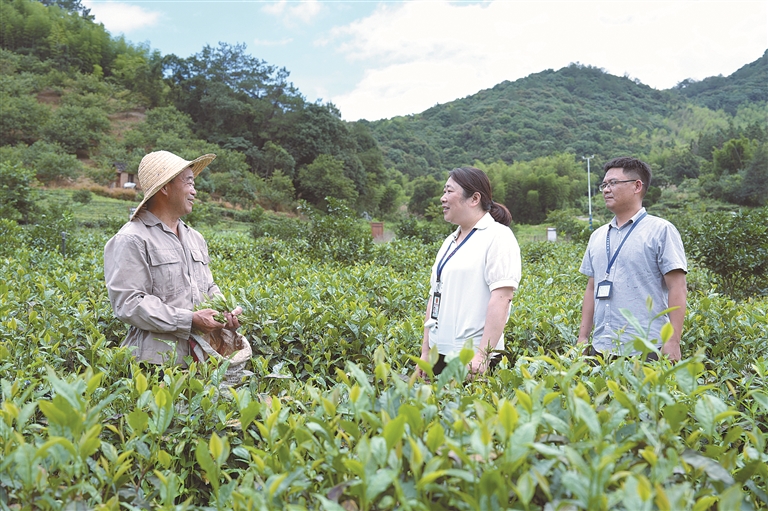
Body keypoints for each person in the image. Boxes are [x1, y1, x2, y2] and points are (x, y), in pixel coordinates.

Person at [104, 150, 241, 368]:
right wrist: (189, 320)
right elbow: (128, 303)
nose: (194, 191)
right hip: (156, 363)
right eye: (189, 182)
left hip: (202, 359)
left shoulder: (195, 238)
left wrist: (225, 311)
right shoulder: (132, 238)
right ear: (165, 188)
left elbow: (208, 286)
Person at [577, 157, 687, 361]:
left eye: (613, 183)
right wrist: (583, 337)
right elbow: (591, 288)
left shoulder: (661, 230)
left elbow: (677, 287)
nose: (606, 190)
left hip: (647, 349)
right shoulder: (598, 236)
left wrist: (673, 340)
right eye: (604, 184)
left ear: (637, 186)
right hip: (601, 348)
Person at [416, 166, 521, 377]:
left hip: (472, 357)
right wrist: (425, 353)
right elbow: (434, 297)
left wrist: (482, 356)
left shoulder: (498, 236)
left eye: (449, 191)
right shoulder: (449, 241)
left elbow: (501, 298)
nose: (442, 198)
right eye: (444, 191)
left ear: (474, 198)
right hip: (439, 353)